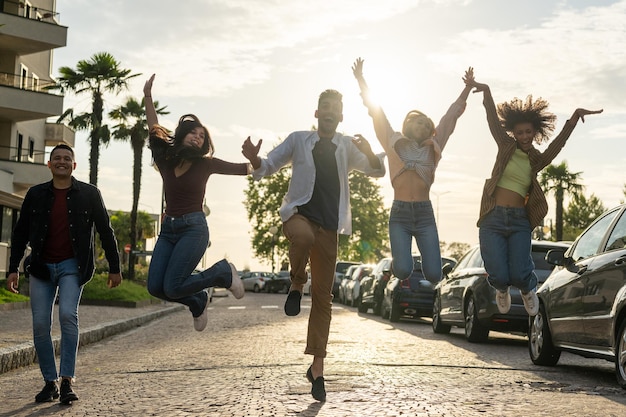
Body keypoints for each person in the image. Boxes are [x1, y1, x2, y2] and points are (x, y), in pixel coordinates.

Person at [241, 89, 385, 402]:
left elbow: (377, 170)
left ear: (341, 116)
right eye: (324, 106)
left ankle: (317, 368)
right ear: (317, 113)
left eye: (335, 107)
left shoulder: (347, 147)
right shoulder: (298, 140)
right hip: (298, 216)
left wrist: (370, 149)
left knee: (323, 299)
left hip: (329, 230)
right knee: (302, 238)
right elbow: (268, 165)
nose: (329, 111)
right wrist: (254, 158)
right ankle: (296, 281)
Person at [466, 77, 602, 315]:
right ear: (514, 133)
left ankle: (529, 290)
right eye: (520, 132)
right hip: (493, 218)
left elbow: (556, 146)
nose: (525, 136)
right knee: (498, 273)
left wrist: (573, 120)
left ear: (535, 132)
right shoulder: (506, 146)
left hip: (519, 220)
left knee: (520, 273)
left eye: (529, 132)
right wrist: (487, 92)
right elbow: (492, 122)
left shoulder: (536, 160)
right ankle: (501, 289)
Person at [6, 144, 123, 405]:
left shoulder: (90, 194)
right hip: (40, 267)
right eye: (57, 158)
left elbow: (106, 230)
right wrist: (12, 268)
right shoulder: (36, 195)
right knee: (39, 324)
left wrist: (115, 267)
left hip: (73, 266)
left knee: (68, 315)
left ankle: (67, 379)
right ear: (49, 164)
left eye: (66, 159)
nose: (61, 162)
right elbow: (20, 233)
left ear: (74, 165)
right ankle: (50, 382)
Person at [352, 57, 474, 284]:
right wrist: (361, 80)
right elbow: (376, 111)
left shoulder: (433, 147)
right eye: (420, 123)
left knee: (435, 275)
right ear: (409, 124)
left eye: (428, 126)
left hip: (425, 214)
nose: (425, 127)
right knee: (404, 270)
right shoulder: (392, 140)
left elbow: (450, 118)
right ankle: (399, 261)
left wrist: (467, 88)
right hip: (400, 215)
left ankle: (426, 260)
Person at [143, 74, 245, 333]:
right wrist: (147, 97)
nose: (197, 138)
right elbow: (154, 128)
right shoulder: (165, 159)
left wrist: (258, 161)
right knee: (156, 287)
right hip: (168, 231)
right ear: (182, 135)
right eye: (193, 133)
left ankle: (222, 271)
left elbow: (243, 169)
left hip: (194, 228)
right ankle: (198, 299)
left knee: (174, 285)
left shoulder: (206, 164)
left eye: (202, 136)